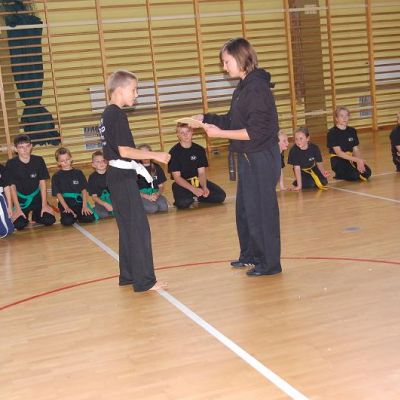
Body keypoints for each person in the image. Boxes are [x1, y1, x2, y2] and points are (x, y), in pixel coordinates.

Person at [195, 37, 282, 277]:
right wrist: (206, 118)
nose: (224, 67)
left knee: (262, 212)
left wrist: (219, 133)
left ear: (241, 59)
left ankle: (269, 263)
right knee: (245, 210)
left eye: (226, 62)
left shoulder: (257, 89)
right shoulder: (243, 87)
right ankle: (251, 255)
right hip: (248, 157)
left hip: (261, 158)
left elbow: (254, 132)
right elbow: (232, 120)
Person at [99, 69, 169, 292]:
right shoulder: (117, 114)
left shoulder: (107, 113)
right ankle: (145, 281)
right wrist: (155, 155)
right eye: (134, 89)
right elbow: (125, 151)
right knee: (138, 229)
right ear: (120, 90)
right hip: (121, 177)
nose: (136, 94)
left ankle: (128, 275)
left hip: (117, 176)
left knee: (127, 228)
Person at [168, 123, 226, 209]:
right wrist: (193, 189)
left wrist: (204, 187)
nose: (185, 135)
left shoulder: (199, 150)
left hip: (197, 181)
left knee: (220, 196)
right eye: (182, 133)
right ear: (178, 135)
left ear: (192, 132)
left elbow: (201, 173)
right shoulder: (173, 152)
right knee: (183, 203)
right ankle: (192, 196)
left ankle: (197, 197)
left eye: (188, 131)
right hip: (182, 184)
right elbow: (177, 177)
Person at [6, 134, 56, 230]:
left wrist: (44, 205)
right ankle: (24, 216)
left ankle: (35, 216)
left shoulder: (39, 160)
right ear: (15, 149)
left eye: (27, 146)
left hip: (37, 199)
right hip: (21, 201)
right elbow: (12, 187)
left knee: (49, 220)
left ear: (31, 146)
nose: (25, 150)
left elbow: (42, 183)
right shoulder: (11, 164)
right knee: (19, 225)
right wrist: (17, 209)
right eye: (21, 147)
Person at [52, 147, 95, 226]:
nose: (65, 162)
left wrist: (84, 206)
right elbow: (58, 194)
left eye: (67, 159)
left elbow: (84, 190)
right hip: (65, 203)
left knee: (89, 218)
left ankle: (77, 215)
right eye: (62, 161)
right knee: (67, 221)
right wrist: (66, 207)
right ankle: (72, 216)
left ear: (71, 158)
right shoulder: (56, 176)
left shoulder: (78, 173)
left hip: (79, 202)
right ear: (58, 162)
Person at [327, 106, 372, 181]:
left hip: (350, 158)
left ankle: (348, 171)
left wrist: (359, 161)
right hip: (338, 160)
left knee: (367, 173)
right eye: (341, 116)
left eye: (346, 116)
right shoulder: (332, 133)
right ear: (336, 118)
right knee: (355, 175)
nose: (344, 118)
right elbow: (339, 153)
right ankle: (339, 174)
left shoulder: (352, 130)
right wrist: (357, 160)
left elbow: (355, 149)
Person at [136, 143, 169, 214]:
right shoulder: (135, 169)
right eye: (142, 154)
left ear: (151, 154)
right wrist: (147, 196)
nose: (145, 156)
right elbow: (133, 189)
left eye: (147, 153)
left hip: (155, 194)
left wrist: (157, 194)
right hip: (141, 196)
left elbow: (161, 186)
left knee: (164, 207)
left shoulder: (156, 167)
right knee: (152, 208)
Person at [87, 150, 113, 219]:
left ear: (107, 162)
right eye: (98, 161)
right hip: (100, 201)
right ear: (93, 165)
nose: (101, 163)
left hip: (113, 198)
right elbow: (94, 197)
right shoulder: (92, 177)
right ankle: (95, 209)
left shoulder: (112, 173)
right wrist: (105, 204)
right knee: (103, 214)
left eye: (103, 160)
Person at [0, 163, 14, 237]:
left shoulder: (1, 168)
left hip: (1, 199)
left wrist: (9, 206)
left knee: (9, 230)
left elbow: (6, 187)